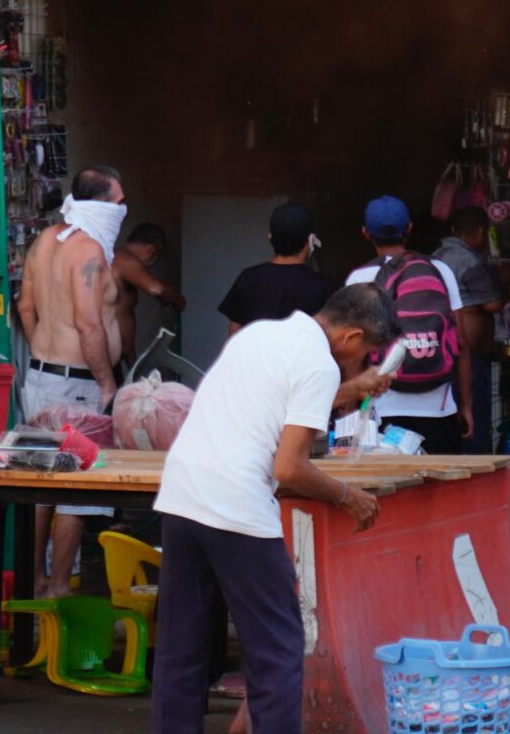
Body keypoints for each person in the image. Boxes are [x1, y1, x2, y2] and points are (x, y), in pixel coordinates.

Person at [152, 285, 401, 734]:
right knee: (278, 652)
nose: (364, 359)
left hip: (182, 494)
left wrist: (350, 389)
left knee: (181, 649)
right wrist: (348, 496)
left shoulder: (258, 334)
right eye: (367, 350)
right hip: (237, 507)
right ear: (351, 336)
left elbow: (272, 402)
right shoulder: (320, 365)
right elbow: (289, 467)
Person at [14, 164, 129, 596]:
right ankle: (58, 586)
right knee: (75, 490)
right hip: (78, 385)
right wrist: (106, 384)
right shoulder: (90, 254)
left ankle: (34, 582)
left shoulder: (45, 241)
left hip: (41, 377)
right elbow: (88, 325)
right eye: (119, 203)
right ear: (100, 205)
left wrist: (45, 353)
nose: (123, 210)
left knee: (39, 486)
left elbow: (26, 308)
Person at [341, 195, 472, 454]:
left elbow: (353, 353)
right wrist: (466, 405)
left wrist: (349, 412)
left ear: (365, 233)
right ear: (409, 229)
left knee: (392, 492)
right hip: (440, 410)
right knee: (443, 492)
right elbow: (462, 344)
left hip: (384, 409)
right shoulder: (439, 270)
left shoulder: (359, 278)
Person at [433, 206, 509, 451]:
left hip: (444, 356)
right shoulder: (468, 259)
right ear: (479, 231)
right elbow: (493, 304)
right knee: (473, 420)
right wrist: (505, 282)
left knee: (452, 417)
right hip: (469, 358)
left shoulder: (436, 256)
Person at [219, 202, 340, 335]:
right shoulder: (324, 287)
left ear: (270, 237)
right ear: (311, 240)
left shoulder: (247, 279)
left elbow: (234, 336)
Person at [115, 221, 191, 373]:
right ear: (150, 249)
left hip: (119, 356)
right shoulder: (123, 259)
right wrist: (178, 301)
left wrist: (133, 366)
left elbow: (123, 317)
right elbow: (156, 289)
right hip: (106, 358)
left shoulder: (120, 261)